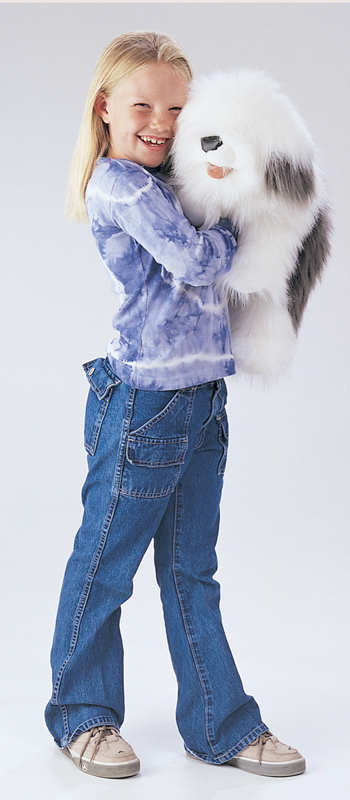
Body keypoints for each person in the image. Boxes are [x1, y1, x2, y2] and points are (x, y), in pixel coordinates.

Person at [45, 30, 305, 780]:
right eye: (143, 104)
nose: (161, 121)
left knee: (193, 570)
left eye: (177, 108)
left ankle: (220, 725)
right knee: (105, 565)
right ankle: (81, 715)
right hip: (145, 405)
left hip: (201, 400)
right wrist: (238, 222)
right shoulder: (121, 186)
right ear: (104, 108)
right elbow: (194, 262)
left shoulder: (171, 184)